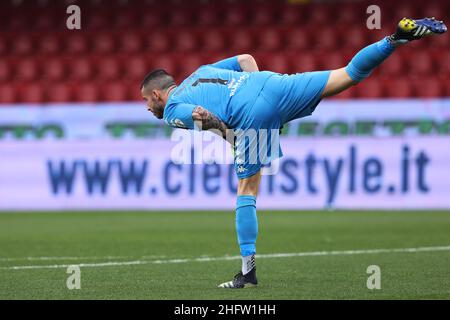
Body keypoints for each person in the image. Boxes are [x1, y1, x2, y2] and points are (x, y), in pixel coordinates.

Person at [141, 18, 447, 288]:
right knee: (347, 74)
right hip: (270, 84)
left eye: (146, 100)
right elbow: (246, 59)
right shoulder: (200, 72)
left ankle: (248, 273)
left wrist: (241, 130)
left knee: (246, 189)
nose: (147, 107)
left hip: (249, 112)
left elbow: (205, 117)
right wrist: (263, 104)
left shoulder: (170, 111)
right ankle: (395, 38)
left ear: (157, 94)